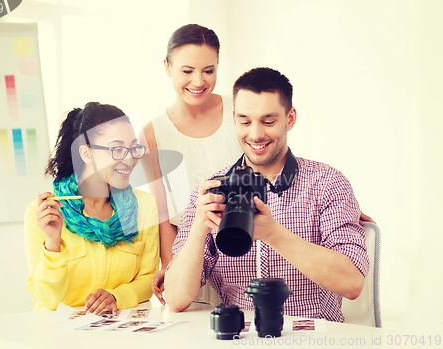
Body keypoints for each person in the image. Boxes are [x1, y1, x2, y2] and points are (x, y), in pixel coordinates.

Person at [142, 24, 374, 306]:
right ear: (233, 119)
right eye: (244, 121)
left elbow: (352, 284)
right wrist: (198, 230)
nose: (255, 134)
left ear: (290, 119)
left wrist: (272, 233)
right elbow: (176, 299)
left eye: (268, 121)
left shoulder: (326, 183)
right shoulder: (211, 190)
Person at [25, 102, 159, 314]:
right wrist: (52, 242)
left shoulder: (145, 206)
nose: (129, 158)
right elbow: (48, 300)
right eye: (117, 149)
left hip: (119, 330)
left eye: (133, 148)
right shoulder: (43, 212)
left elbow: (148, 280)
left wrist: (116, 297)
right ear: (86, 154)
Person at [141, 24, 241, 305]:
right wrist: (172, 269)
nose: (198, 81)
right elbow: (164, 216)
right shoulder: (152, 133)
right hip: (191, 259)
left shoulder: (239, 109)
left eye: (208, 71)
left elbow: (275, 165)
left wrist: (330, 205)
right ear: (167, 67)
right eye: (187, 71)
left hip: (247, 251)